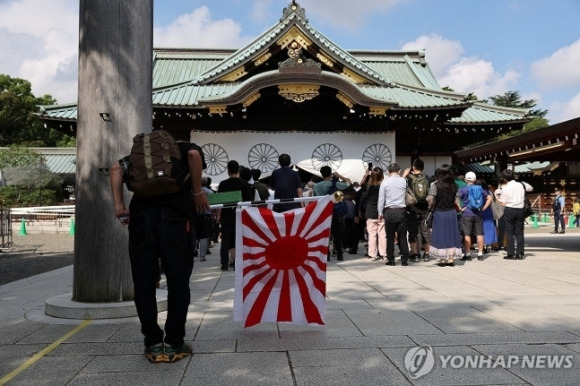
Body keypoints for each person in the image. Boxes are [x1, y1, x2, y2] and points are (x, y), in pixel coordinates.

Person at [109, 134, 209, 363]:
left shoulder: (136, 159)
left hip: (141, 218)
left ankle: (153, 344)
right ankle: (174, 343)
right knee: (178, 282)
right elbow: (194, 156)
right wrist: (197, 192)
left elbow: (115, 169)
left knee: (144, 284)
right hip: (175, 217)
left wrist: (120, 207)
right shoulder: (185, 149)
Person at [217, 160, 252, 271]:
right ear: (238, 171)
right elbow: (248, 202)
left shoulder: (223, 184)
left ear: (228, 171)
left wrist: (218, 215)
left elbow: (220, 203)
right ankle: (238, 262)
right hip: (240, 215)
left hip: (227, 214)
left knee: (225, 239)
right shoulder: (244, 184)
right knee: (239, 238)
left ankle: (224, 263)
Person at [426, 164, 462, 266]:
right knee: (451, 235)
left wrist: (431, 205)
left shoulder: (435, 185)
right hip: (451, 213)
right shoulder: (455, 186)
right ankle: (450, 259)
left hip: (439, 213)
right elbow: (457, 201)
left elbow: (430, 199)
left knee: (440, 235)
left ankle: (442, 259)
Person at [313, 166, 352, 261]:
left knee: (325, 235)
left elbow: (315, 200)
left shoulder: (316, 186)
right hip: (335, 212)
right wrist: (339, 176)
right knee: (337, 235)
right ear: (330, 174)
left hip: (323, 212)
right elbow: (349, 183)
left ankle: (327, 255)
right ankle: (339, 254)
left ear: (321, 174)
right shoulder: (337, 184)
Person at [377, 163, 409, 266]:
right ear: (399, 171)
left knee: (390, 237)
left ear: (388, 172)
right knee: (402, 236)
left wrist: (380, 212)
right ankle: (404, 259)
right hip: (401, 210)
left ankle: (391, 259)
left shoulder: (385, 183)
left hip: (389, 211)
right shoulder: (404, 181)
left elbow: (381, 199)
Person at [497, 169, 533, 260]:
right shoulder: (522, 184)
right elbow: (531, 188)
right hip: (521, 210)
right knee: (519, 232)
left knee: (509, 232)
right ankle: (520, 253)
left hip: (509, 209)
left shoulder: (504, 188)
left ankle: (511, 253)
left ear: (504, 178)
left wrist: (497, 198)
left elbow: (503, 203)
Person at [457, 172, 492, 261]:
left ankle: (468, 254)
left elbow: (456, 199)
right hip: (478, 213)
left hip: (467, 213)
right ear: (475, 180)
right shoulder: (480, 188)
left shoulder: (463, 189)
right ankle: (480, 254)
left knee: (467, 234)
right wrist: (483, 208)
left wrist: (461, 208)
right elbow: (490, 198)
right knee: (480, 234)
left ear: (465, 179)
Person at [403, 159, 431, 262]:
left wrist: (404, 176)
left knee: (413, 232)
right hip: (425, 209)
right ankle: (427, 254)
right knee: (426, 231)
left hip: (412, 209)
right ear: (423, 168)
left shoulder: (408, 179)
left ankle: (415, 254)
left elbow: (400, 188)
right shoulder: (427, 178)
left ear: (413, 167)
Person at [359, 166, 386, 261]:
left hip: (370, 212)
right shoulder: (384, 186)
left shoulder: (368, 186)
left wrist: (366, 174)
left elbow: (361, 184)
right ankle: (383, 254)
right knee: (382, 234)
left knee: (372, 235)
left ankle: (372, 254)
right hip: (382, 212)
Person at [476, 178, 497, 254]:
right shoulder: (489, 192)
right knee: (488, 228)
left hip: (479, 211)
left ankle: (481, 246)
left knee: (479, 229)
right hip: (488, 211)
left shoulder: (477, 192)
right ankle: (487, 245)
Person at [197, 176, 214, 262]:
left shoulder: (192, 192)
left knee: (194, 235)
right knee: (204, 235)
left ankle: (194, 250)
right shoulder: (210, 192)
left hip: (195, 215)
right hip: (205, 215)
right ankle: (202, 255)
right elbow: (213, 205)